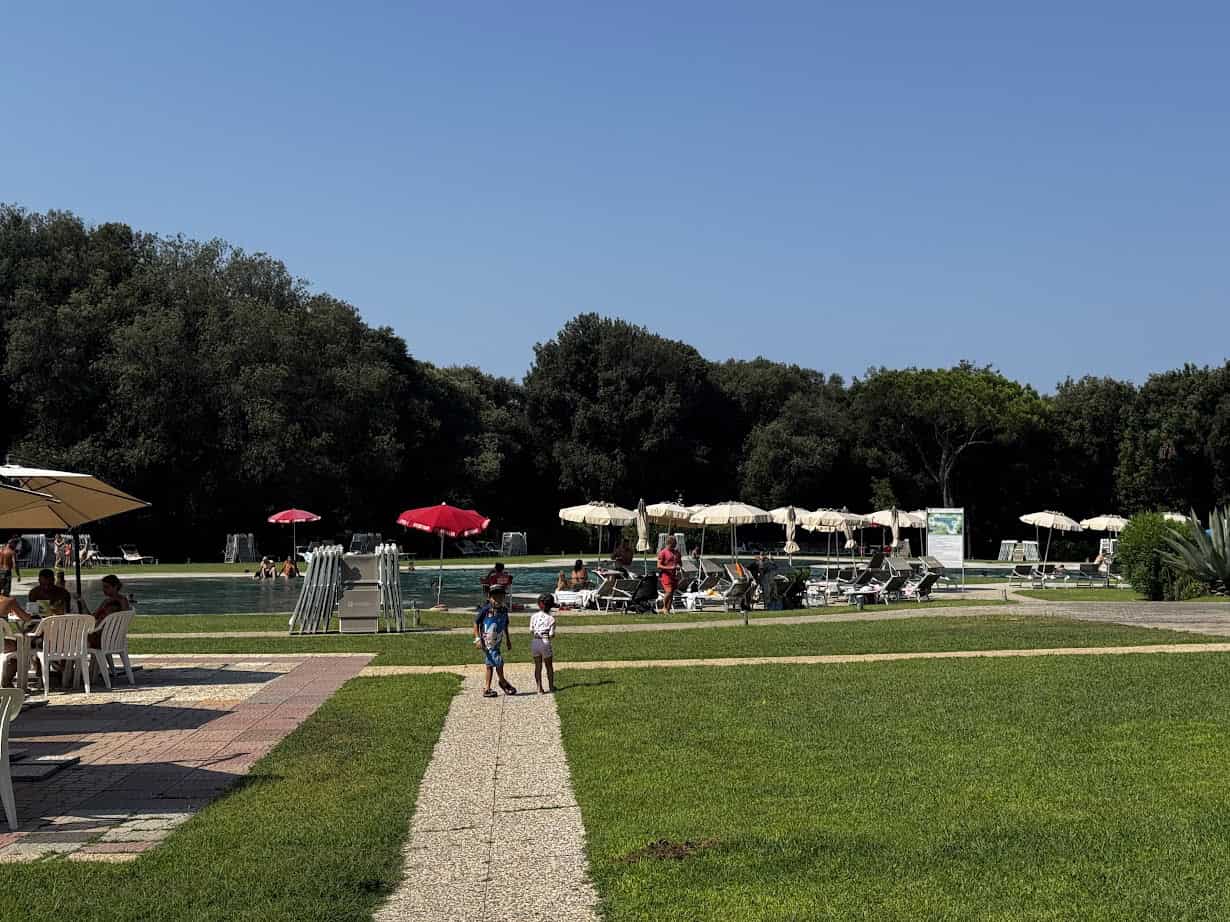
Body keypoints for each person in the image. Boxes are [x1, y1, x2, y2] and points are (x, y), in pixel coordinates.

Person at [474, 585, 515, 698]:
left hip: (497, 642)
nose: (497, 600)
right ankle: (503, 682)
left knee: (490, 665)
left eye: (500, 597)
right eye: (495, 598)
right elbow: (476, 623)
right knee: (498, 661)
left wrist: (508, 640)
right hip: (487, 643)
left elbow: (505, 625)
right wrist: (477, 639)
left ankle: (487, 688)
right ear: (489, 597)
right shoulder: (486, 610)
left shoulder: (504, 610)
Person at [76, 574, 130, 649]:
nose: (103, 589)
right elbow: (93, 617)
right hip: (107, 637)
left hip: (104, 638)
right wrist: (83, 604)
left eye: (106, 587)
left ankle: (73, 659)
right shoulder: (107, 602)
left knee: (74, 637)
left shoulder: (121, 601)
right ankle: (94, 660)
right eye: (103, 587)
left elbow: (123, 617)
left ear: (115, 587)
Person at [1, 592, 35, 687]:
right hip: (1, 643)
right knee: (20, 648)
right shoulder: (9, 601)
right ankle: (6, 682)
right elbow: (26, 618)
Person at [530, 593, 557, 694]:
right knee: (549, 666)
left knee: (538, 666)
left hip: (535, 641)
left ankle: (539, 688)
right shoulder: (551, 619)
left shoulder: (534, 616)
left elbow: (531, 630)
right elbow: (551, 634)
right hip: (545, 641)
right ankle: (551, 686)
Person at [657, 536, 681, 613]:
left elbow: (680, 563)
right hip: (666, 575)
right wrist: (670, 568)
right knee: (669, 591)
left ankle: (668, 609)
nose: (675, 545)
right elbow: (659, 565)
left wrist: (679, 566)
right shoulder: (663, 552)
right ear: (669, 543)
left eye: (675, 544)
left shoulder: (676, 552)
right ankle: (663, 607)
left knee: (672, 593)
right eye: (674, 544)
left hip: (674, 575)